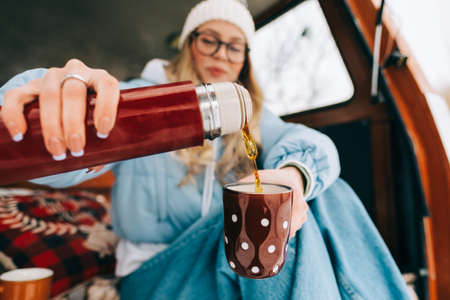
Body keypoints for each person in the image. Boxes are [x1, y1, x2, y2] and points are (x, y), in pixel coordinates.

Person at [0, 0, 411, 299]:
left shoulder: (248, 112)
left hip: (223, 262)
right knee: (279, 217)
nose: (220, 54)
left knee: (301, 194)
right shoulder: (141, 102)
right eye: (210, 40)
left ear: (245, 59)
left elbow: (312, 145)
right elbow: (58, 161)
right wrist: (48, 105)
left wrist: (292, 177)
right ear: (187, 44)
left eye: (234, 46)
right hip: (156, 272)